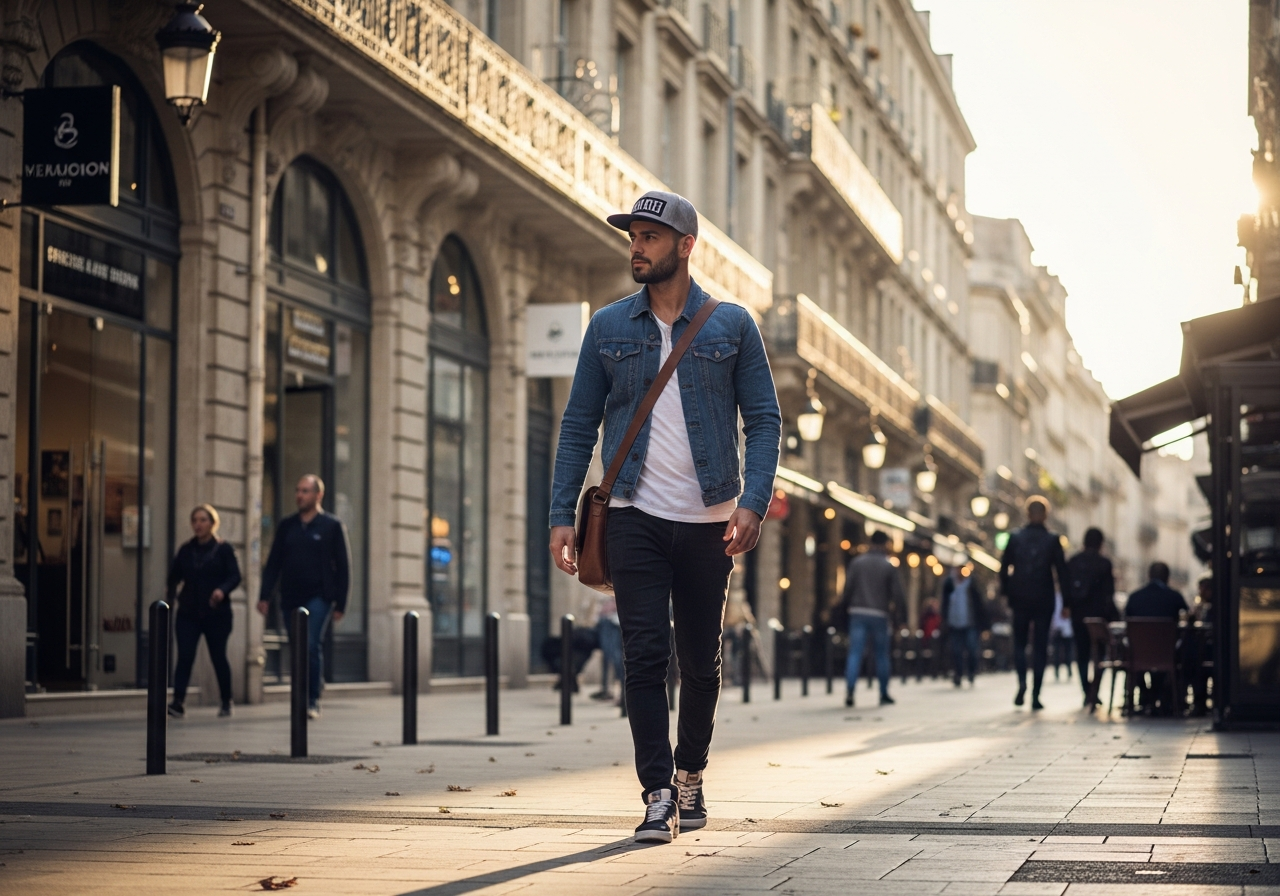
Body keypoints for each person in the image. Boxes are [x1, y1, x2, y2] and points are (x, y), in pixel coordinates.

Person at [548, 190, 781, 845]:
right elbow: (576, 426)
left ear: (685, 246)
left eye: (650, 237)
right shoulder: (607, 327)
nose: (636, 247)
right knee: (643, 655)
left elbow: (764, 420)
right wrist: (561, 513)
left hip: (710, 521)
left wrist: (752, 501)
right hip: (632, 515)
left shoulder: (731, 325)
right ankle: (656, 793)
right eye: (633, 236)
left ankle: (690, 774)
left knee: (700, 661)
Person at [258, 475, 351, 720]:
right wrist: (265, 595)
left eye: (306, 491)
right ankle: (304, 691)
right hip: (290, 597)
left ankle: (312, 700)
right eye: (298, 490)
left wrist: (341, 602)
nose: (300, 495)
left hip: (319, 597)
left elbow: (343, 566)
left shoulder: (331, 525)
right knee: (297, 648)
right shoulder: (287, 525)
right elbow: (274, 563)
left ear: (318, 495)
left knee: (310, 644)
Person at [167, 505, 242, 718]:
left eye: (202, 520)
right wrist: (170, 599)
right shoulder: (186, 550)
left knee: (218, 656)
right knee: (185, 656)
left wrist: (222, 590)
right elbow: (173, 577)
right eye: (195, 520)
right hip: (189, 612)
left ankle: (226, 700)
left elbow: (235, 576)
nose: (198, 525)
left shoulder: (224, 549)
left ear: (212, 523)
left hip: (216, 613)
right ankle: (178, 702)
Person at [999, 496, 1068, 710]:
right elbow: (1062, 573)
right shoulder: (1053, 540)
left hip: (1019, 598)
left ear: (1027, 514)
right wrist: (1066, 602)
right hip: (1043, 598)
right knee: (1040, 646)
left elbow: (1003, 569)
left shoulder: (1015, 537)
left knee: (1019, 644)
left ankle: (1022, 684)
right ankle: (1036, 695)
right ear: (1046, 515)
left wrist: (1006, 593)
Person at [841, 531, 904, 707]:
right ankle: (883, 693)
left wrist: (844, 609)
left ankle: (850, 690)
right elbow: (897, 594)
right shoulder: (888, 566)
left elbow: (848, 589)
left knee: (855, 653)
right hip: (879, 614)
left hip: (858, 612)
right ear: (885, 544)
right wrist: (899, 617)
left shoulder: (857, 563)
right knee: (881, 655)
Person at [1124, 562, 1188, 714]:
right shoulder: (1174, 597)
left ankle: (1147, 697)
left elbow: (1126, 620)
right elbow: (1188, 616)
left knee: (1134, 655)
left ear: (1149, 576)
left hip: (1139, 652)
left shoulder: (1134, 597)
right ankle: (1164, 697)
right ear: (1167, 577)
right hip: (1166, 652)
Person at [1064, 527, 1117, 707]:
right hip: (1098, 617)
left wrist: (1067, 606)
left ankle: (1086, 690)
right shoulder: (1104, 563)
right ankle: (1094, 690)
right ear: (1101, 543)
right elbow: (1109, 594)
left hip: (1078, 615)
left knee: (1082, 653)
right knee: (1099, 655)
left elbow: (1067, 588)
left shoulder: (1073, 562)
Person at [941, 565, 987, 687]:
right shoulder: (949, 584)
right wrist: (944, 621)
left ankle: (971, 672)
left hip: (970, 623)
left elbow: (980, 604)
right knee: (956, 651)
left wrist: (983, 625)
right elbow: (944, 604)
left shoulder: (972, 584)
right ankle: (958, 674)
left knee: (972, 649)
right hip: (954, 624)